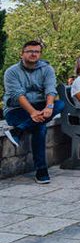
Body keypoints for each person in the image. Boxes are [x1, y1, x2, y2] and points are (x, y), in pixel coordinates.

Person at [3, 40, 65, 183]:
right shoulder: (11, 72)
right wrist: (32, 112)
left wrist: (49, 107)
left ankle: (18, 131)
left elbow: (50, 90)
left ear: (40, 54)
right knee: (40, 127)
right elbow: (18, 96)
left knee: (60, 104)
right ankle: (41, 171)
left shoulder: (47, 69)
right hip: (16, 109)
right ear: (22, 54)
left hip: (40, 106)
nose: (33, 54)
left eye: (36, 51)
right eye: (30, 51)